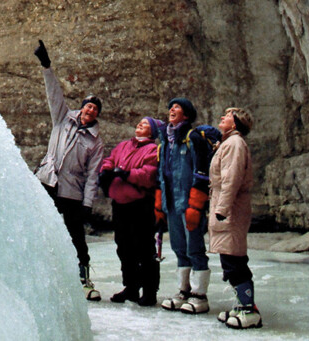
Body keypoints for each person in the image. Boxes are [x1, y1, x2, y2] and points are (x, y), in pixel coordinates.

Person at [33, 40, 105, 301]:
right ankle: (40, 272)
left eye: (95, 109)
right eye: (88, 105)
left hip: (72, 191)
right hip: (48, 181)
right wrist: (46, 66)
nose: (90, 110)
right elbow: (54, 94)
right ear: (82, 107)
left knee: (75, 234)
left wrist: (88, 203)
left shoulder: (95, 142)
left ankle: (83, 276)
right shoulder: (63, 118)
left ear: (97, 115)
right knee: (40, 227)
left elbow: (93, 174)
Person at [156, 98, 216, 314]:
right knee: (179, 247)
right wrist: (159, 202)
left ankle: (200, 295)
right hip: (172, 202)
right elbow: (161, 173)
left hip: (189, 202)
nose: (172, 109)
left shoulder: (192, 139)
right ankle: (184, 290)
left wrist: (196, 205)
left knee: (195, 247)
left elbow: (201, 172)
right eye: (171, 107)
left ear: (187, 115)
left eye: (177, 107)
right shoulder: (165, 141)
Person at [99, 117, 164, 306]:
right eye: (139, 123)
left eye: (145, 124)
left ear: (152, 132)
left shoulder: (153, 150)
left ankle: (150, 290)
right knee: (124, 247)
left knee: (144, 247)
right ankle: (131, 287)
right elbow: (110, 159)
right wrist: (107, 170)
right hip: (120, 203)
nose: (139, 125)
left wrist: (127, 174)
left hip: (140, 204)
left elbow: (149, 173)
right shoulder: (124, 145)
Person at [208, 107, 260, 329]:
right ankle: (241, 305)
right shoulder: (228, 143)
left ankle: (249, 309)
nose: (223, 117)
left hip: (230, 208)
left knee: (235, 259)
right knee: (229, 257)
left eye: (228, 115)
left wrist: (223, 208)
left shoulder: (235, 144)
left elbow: (232, 179)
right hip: (225, 205)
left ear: (237, 122)